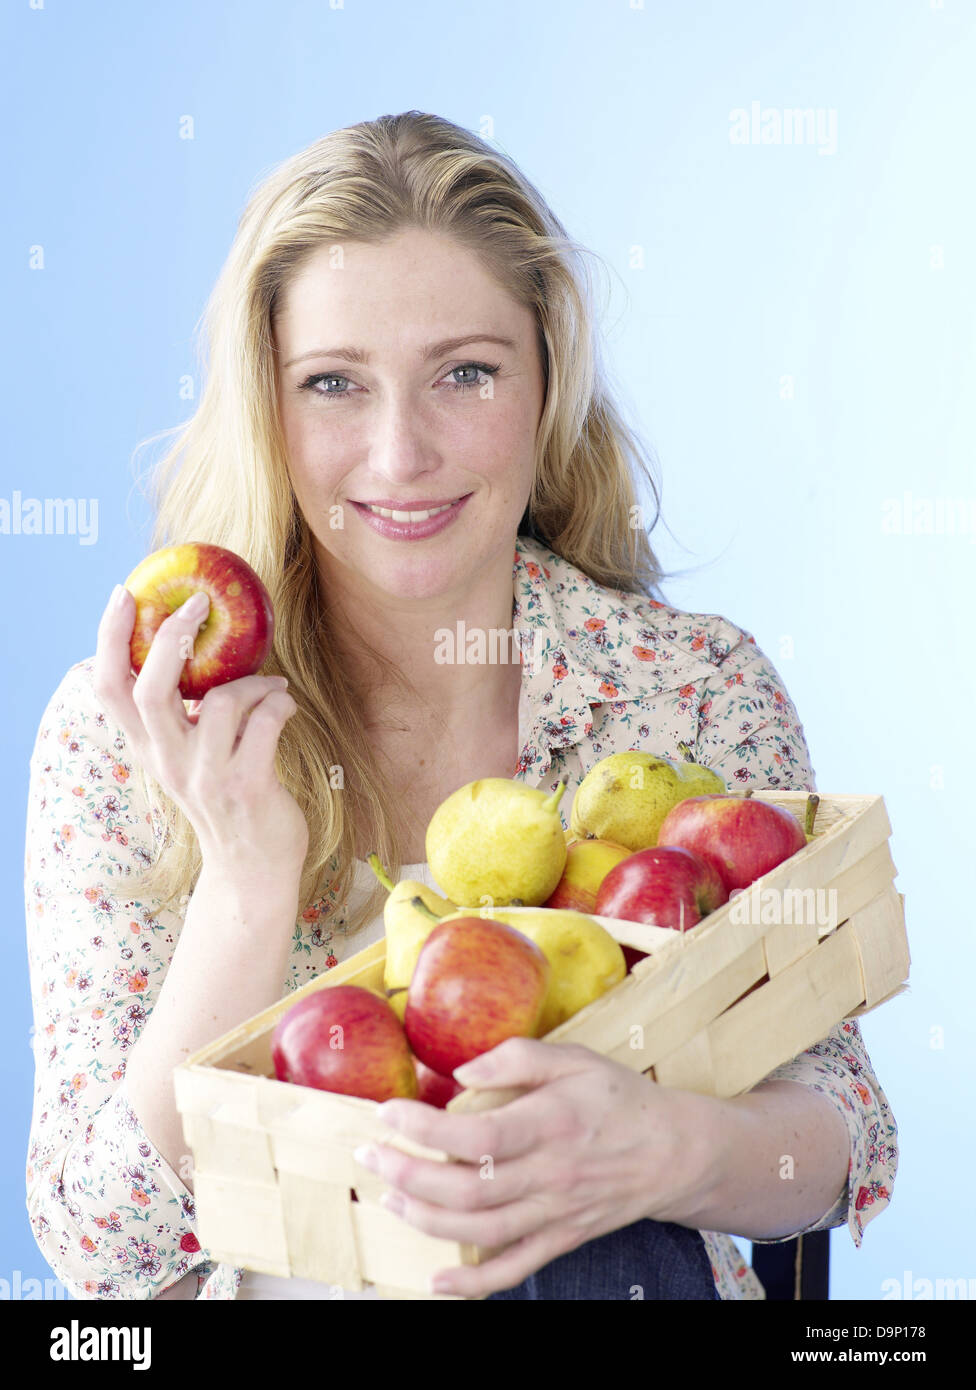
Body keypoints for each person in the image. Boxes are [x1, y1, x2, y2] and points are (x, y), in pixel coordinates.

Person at [24, 111, 897, 1302]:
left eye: (465, 374)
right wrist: (242, 888)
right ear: (264, 413)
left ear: (545, 390)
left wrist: (657, 1150)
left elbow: (835, 1126)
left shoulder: (686, 691)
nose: (399, 455)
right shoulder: (131, 728)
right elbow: (101, 1256)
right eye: (332, 384)